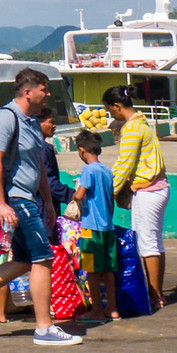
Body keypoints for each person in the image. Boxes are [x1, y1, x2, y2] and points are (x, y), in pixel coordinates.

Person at [0, 69, 81, 346]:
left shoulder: (32, 122)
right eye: (44, 89)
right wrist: (0, 204)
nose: (47, 94)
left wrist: (47, 201)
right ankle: (44, 327)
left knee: (23, 260)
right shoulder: (5, 118)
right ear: (28, 92)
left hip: (31, 199)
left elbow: (39, 168)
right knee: (43, 257)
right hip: (16, 199)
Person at [105, 84, 171, 311]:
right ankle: (157, 292)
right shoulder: (142, 122)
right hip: (158, 188)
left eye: (109, 110)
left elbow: (125, 163)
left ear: (116, 106)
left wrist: (109, 190)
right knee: (155, 242)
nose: (110, 115)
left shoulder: (132, 128)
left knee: (147, 243)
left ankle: (155, 295)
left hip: (148, 190)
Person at [70, 130, 118, 321]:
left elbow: (80, 195)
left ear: (82, 150)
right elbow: (111, 199)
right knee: (108, 271)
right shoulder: (107, 170)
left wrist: (75, 194)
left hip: (91, 228)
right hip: (108, 228)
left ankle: (97, 309)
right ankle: (112, 309)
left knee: (92, 271)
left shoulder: (88, 171)